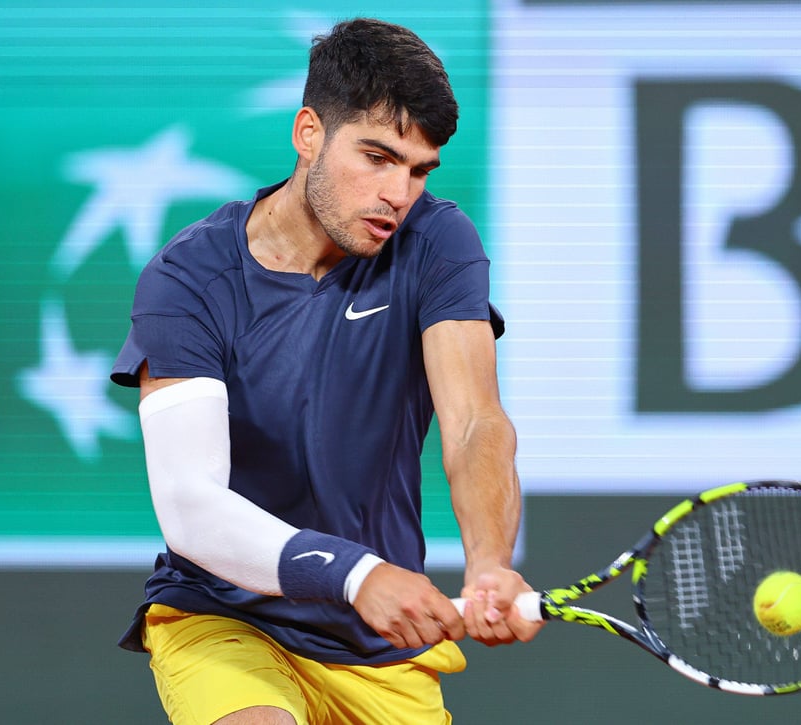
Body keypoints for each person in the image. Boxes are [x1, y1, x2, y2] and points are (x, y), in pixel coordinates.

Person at [110, 17, 540, 725]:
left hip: (381, 653)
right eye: (377, 156)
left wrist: (489, 560)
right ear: (308, 132)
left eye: (418, 169)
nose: (398, 194)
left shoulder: (438, 242)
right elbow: (190, 505)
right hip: (228, 618)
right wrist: (355, 573)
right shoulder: (188, 278)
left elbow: (473, 424)